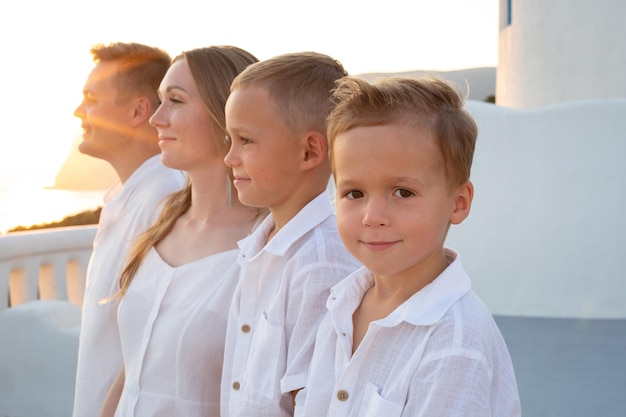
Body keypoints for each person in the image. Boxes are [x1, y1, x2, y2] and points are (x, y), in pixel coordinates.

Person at [294, 76, 522, 417]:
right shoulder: (342, 304)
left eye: (402, 192)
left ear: (458, 203)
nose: (372, 217)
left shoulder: (455, 343)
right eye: (354, 193)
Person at [95, 46, 263, 417]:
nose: (156, 118)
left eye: (175, 100)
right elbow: (132, 369)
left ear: (227, 115)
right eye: (159, 101)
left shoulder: (264, 248)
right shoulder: (161, 224)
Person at [220, 52, 362, 417]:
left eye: (246, 140)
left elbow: (313, 403)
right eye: (229, 139)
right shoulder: (259, 247)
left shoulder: (323, 264)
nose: (229, 157)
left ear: (309, 150)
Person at [72, 42, 185, 417]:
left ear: (139, 110)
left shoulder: (163, 199)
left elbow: (153, 340)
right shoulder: (130, 195)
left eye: (91, 99)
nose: (78, 112)